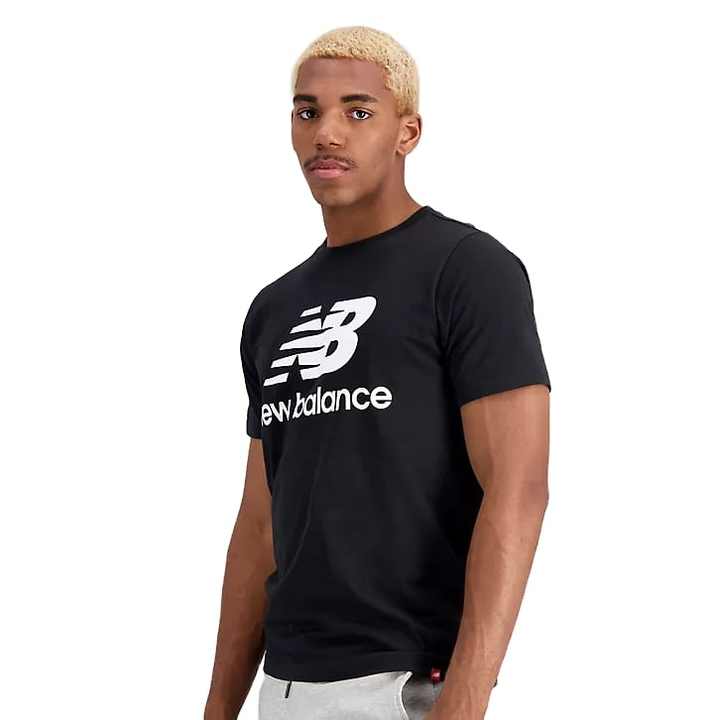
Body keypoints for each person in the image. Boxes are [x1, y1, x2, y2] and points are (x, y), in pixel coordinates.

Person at [204, 24, 551, 720]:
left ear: (407, 132)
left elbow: (518, 490)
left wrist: (464, 703)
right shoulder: (273, 309)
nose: (326, 133)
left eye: (357, 111)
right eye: (307, 112)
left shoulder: (468, 270)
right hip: (286, 688)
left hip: (405, 686)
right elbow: (260, 524)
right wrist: (218, 710)